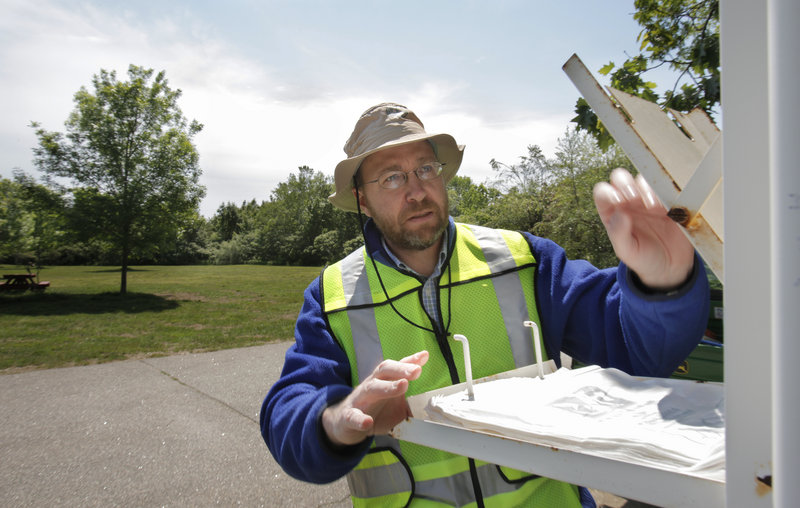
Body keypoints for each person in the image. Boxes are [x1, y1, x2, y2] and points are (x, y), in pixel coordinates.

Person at [260, 103, 709, 507]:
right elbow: (287, 414)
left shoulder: (524, 259)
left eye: (425, 169)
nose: (416, 191)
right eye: (392, 177)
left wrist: (662, 284)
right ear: (362, 198)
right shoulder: (331, 296)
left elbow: (638, 349)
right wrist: (336, 420)